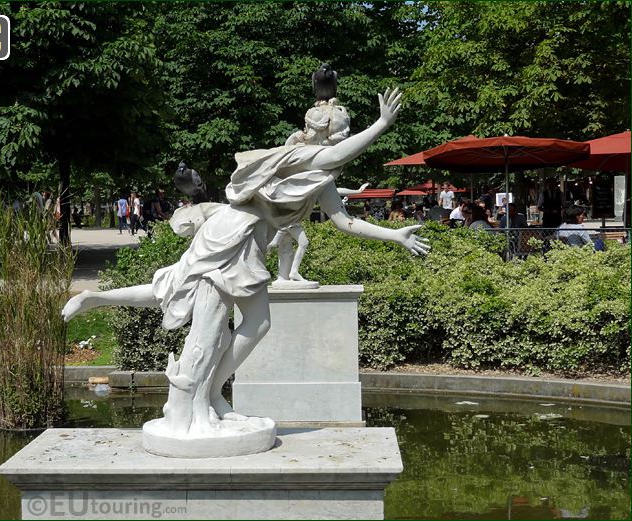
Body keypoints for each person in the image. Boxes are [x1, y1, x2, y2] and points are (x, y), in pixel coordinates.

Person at [61, 88, 430, 437]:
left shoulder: (321, 176)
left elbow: (345, 222)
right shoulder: (298, 156)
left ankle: (206, 389)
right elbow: (336, 156)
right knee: (199, 312)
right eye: (340, 133)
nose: (341, 140)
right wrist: (380, 125)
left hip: (247, 239)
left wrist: (394, 235)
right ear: (322, 134)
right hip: (232, 234)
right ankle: (191, 405)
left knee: (244, 316)